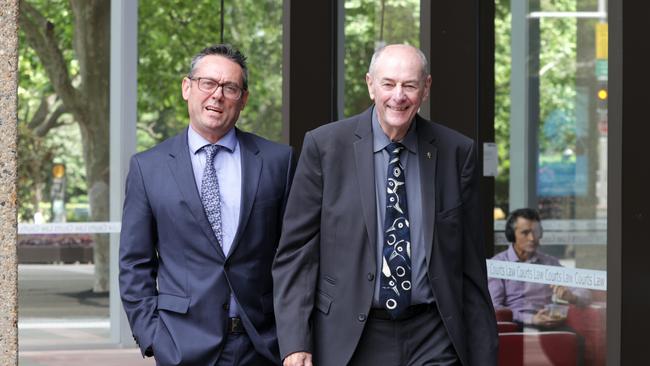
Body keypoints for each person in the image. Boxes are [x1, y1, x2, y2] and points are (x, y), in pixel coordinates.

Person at [272, 44, 498, 366]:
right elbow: (296, 253)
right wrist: (295, 342)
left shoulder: (456, 152)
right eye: (388, 84)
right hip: (352, 336)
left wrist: (484, 353)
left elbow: (471, 266)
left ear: (426, 88)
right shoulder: (325, 147)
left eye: (409, 85)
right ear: (370, 84)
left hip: (433, 335)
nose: (398, 96)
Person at [119, 44, 293, 366]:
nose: (217, 95)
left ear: (244, 99)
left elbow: (294, 256)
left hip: (263, 345)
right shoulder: (148, 167)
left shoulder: (277, 162)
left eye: (230, 87)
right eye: (208, 83)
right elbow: (134, 264)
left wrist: (294, 338)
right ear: (187, 88)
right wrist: (152, 337)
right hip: (181, 346)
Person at [489, 208, 591, 328]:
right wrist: (531, 319)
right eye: (525, 233)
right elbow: (494, 307)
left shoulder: (549, 263)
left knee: (578, 340)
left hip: (548, 322)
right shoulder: (498, 264)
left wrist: (572, 297)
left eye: (536, 232)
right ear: (512, 235)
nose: (532, 238)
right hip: (515, 325)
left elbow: (585, 292)